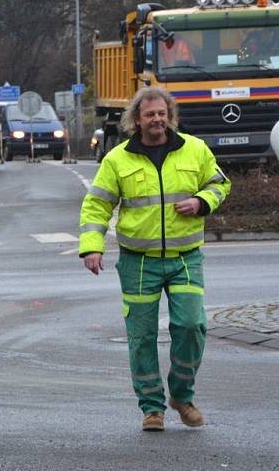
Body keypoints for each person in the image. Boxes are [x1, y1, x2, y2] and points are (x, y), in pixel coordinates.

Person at [79, 87, 230, 432]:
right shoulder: (117, 159)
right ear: (137, 119)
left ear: (170, 115)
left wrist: (202, 201)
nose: (157, 120)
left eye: (162, 113)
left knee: (192, 326)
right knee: (142, 336)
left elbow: (220, 183)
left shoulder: (195, 149)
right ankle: (152, 408)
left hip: (185, 257)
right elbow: (97, 205)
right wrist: (92, 245)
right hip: (138, 262)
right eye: (150, 114)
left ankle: (182, 395)